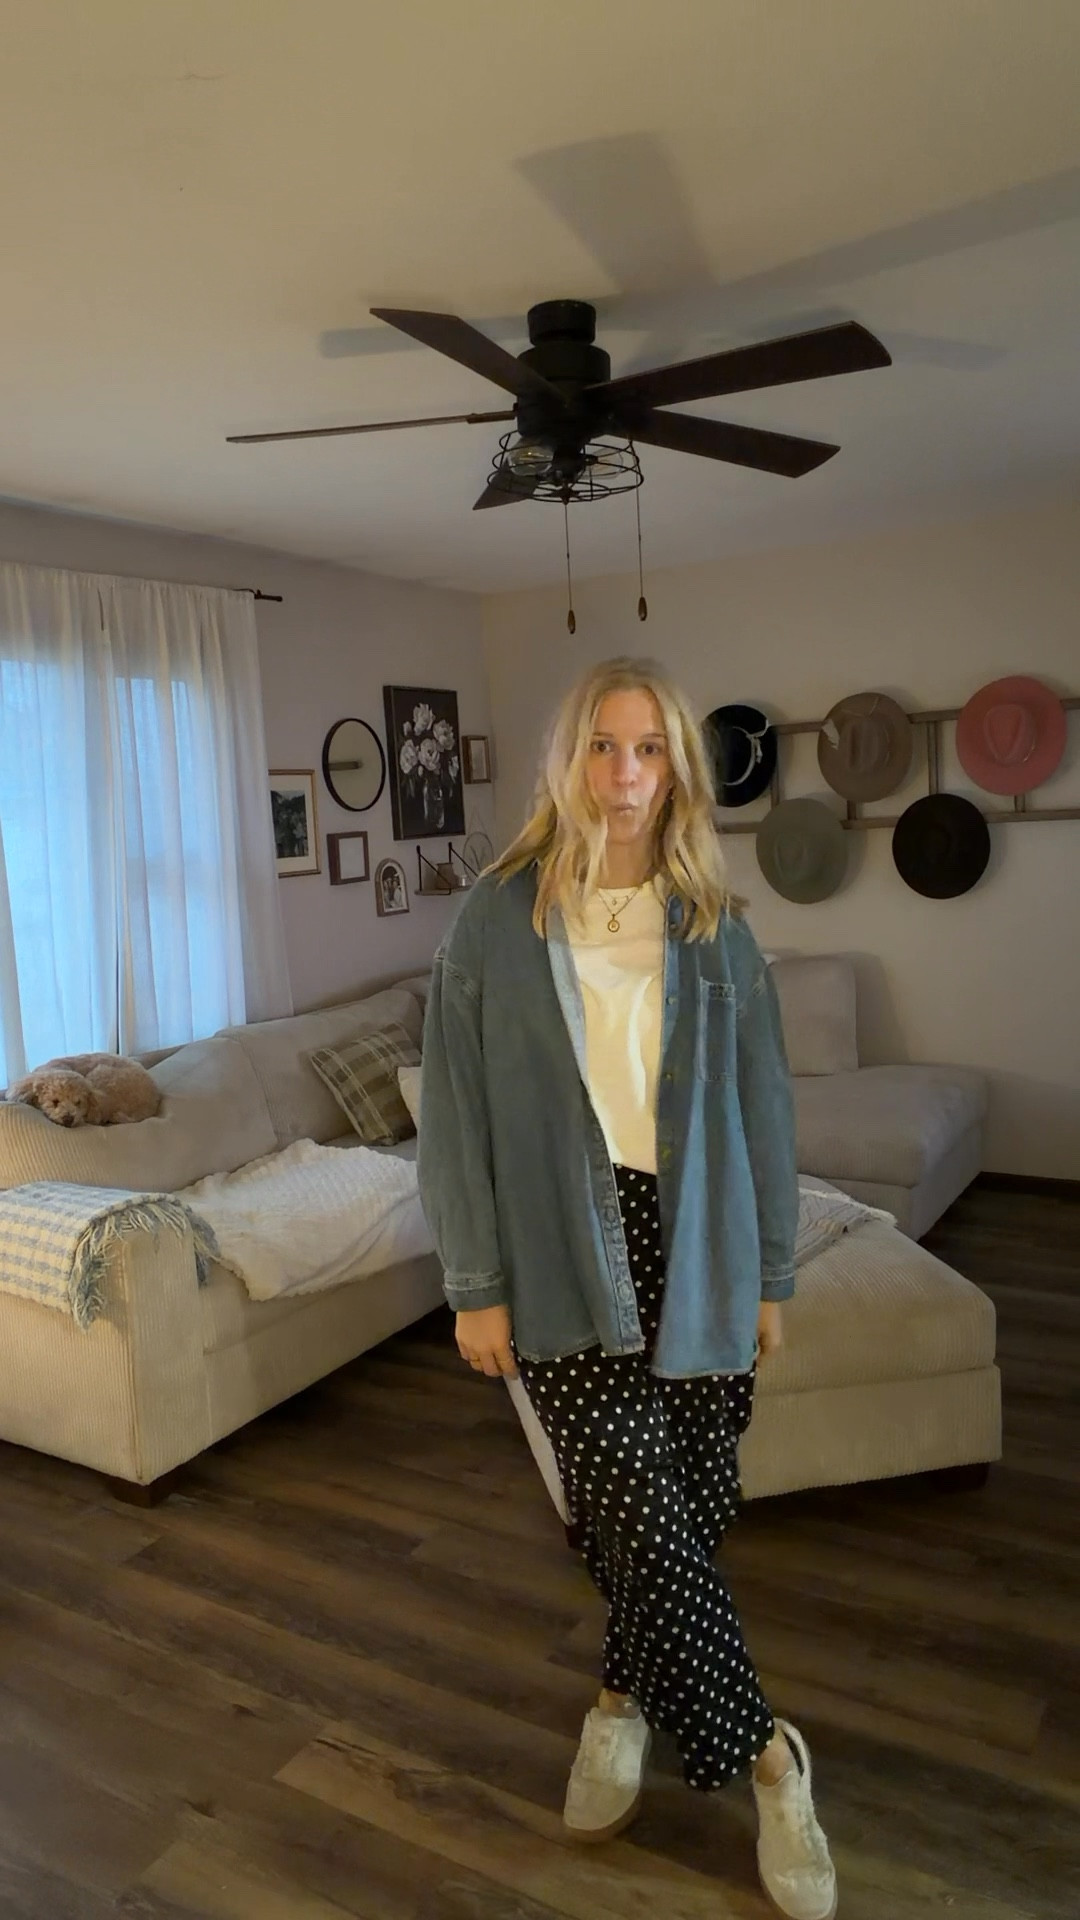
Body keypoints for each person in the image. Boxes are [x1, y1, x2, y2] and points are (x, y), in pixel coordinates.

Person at [417, 657, 837, 1920]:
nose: (624, 777)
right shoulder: (496, 917)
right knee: (638, 1511)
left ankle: (619, 1701)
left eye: (647, 751)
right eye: (602, 748)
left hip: (696, 1244)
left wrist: (768, 1274)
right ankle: (773, 1758)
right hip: (560, 1247)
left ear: (677, 769)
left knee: (690, 1507)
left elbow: (764, 1111)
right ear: (568, 761)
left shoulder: (718, 922)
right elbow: (454, 1114)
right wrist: (473, 1282)